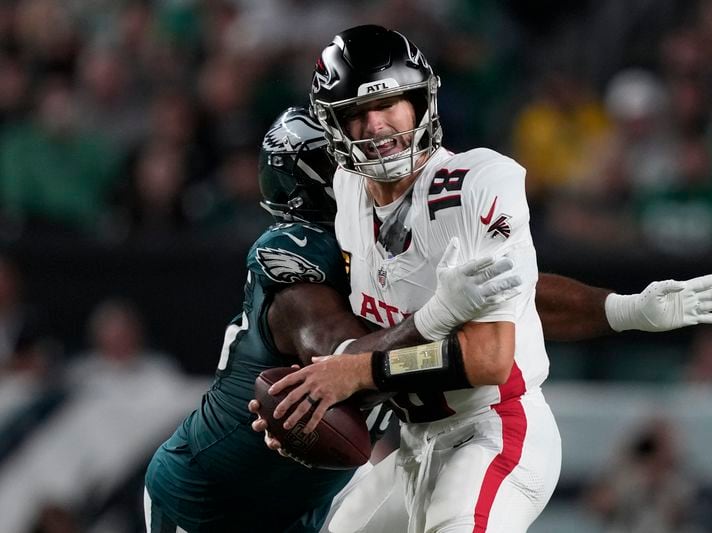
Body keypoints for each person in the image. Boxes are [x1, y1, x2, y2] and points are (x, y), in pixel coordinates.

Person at [266, 26, 712, 533]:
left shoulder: (476, 182)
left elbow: (488, 356)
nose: (377, 125)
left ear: (422, 102)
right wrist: (307, 398)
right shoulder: (349, 193)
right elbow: (516, 293)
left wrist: (357, 373)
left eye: (391, 104)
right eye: (357, 114)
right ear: (332, 127)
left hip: (495, 432)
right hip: (414, 444)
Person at [142, 106, 523, 533]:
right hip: (210, 498)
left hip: (304, 503)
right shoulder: (299, 257)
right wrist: (440, 313)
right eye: (355, 156)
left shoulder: (401, 235)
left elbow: (509, 284)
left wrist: (611, 310)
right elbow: (342, 362)